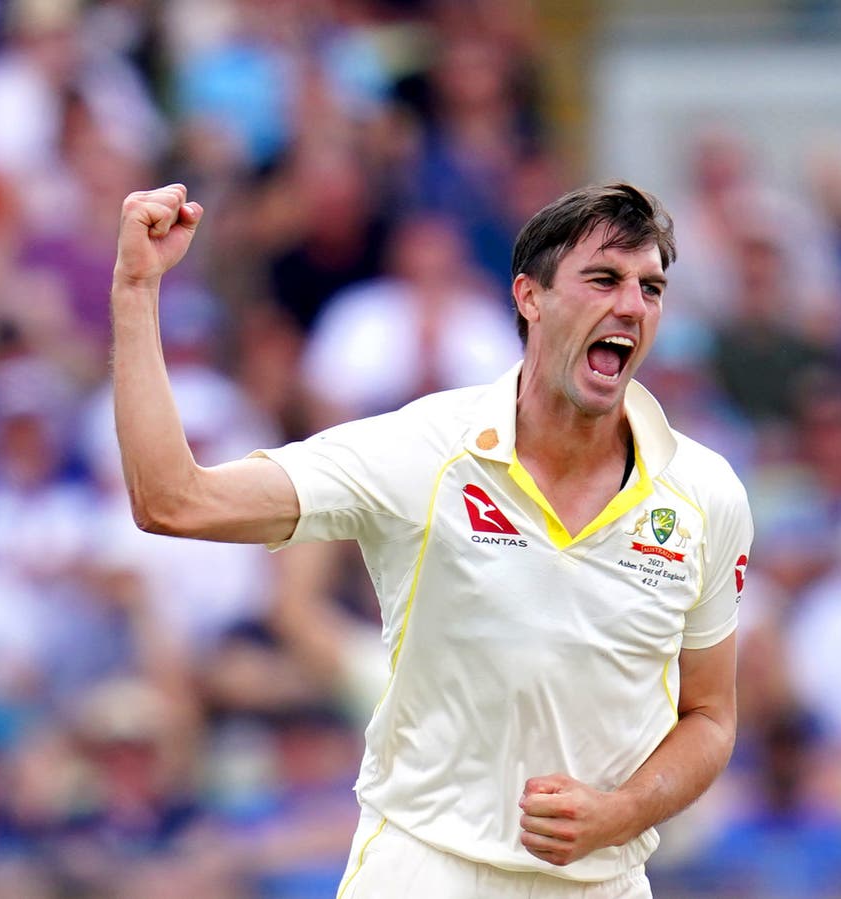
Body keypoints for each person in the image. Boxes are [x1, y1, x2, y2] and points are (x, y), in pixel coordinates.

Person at [110, 181, 753, 897]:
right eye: (603, 279)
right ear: (530, 297)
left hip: (607, 880)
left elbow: (710, 717)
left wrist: (623, 812)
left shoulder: (705, 492)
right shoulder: (423, 450)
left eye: (650, 288)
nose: (631, 306)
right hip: (424, 870)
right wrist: (137, 287)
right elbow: (174, 501)